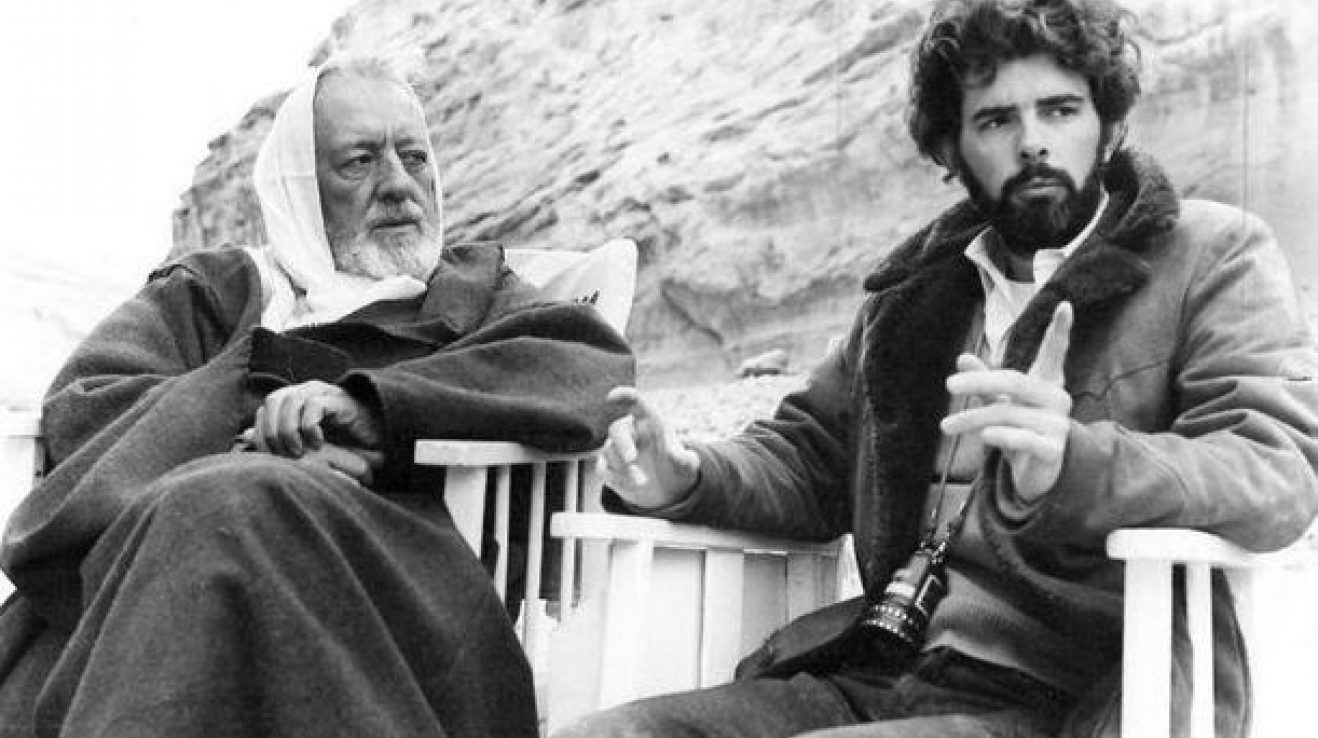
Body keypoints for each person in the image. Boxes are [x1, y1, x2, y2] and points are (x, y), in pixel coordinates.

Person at [556, 0, 1318, 736]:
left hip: (1083, 693)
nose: (1033, 143)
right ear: (952, 150)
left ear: (1111, 124)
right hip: (886, 670)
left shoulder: (1210, 254)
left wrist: (1076, 463)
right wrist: (685, 474)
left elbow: (1275, 469)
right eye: (996, 120)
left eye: (1060, 110)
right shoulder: (915, 294)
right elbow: (812, 458)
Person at [0, 51, 633, 738]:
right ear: (300, 186)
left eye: (414, 158)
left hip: (400, 569)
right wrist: (255, 413)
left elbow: (587, 366)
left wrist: (369, 408)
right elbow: (88, 402)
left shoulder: (474, 292)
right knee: (178, 532)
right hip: (191, 540)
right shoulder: (218, 291)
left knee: (219, 508)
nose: (399, 185)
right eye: (360, 162)